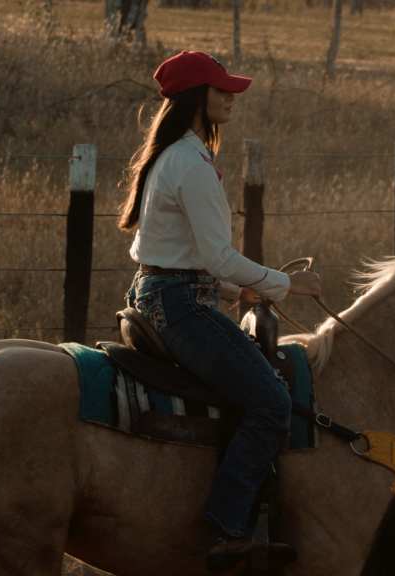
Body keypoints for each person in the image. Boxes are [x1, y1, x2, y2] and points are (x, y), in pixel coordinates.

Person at [117, 51, 320, 572]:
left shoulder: (176, 156)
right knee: (272, 402)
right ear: (195, 96)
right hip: (179, 304)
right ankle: (227, 528)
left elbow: (181, 252)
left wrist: (234, 292)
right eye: (222, 88)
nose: (232, 96)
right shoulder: (191, 163)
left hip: (164, 294)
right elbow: (216, 256)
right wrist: (286, 285)